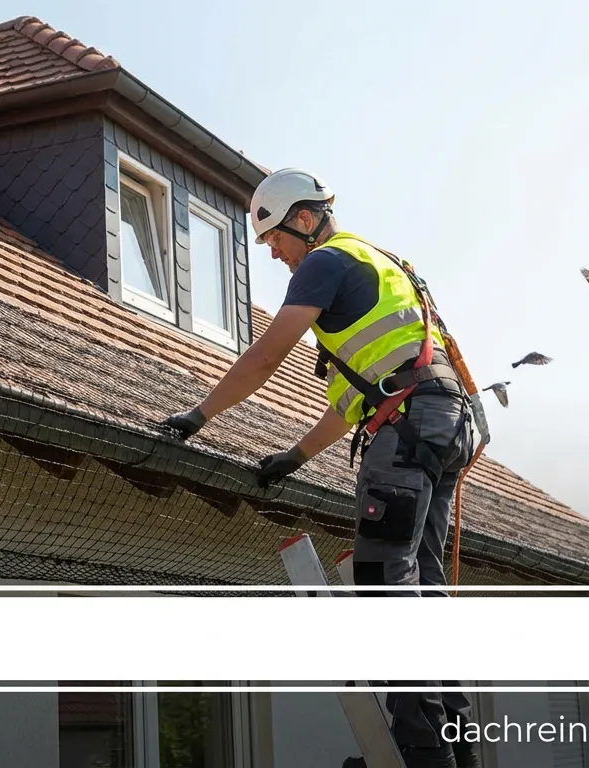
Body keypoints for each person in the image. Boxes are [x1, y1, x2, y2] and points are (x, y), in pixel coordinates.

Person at [157, 168, 481, 768]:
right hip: (441, 424)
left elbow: (266, 356)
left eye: (275, 238)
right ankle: (458, 748)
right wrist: (296, 456)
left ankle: (422, 751)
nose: (273, 253)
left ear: (305, 220)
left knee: (383, 581)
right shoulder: (380, 264)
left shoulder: (324, 262)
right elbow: (360, 398)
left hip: (407, 428)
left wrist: (198, 415)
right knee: (424, 585)